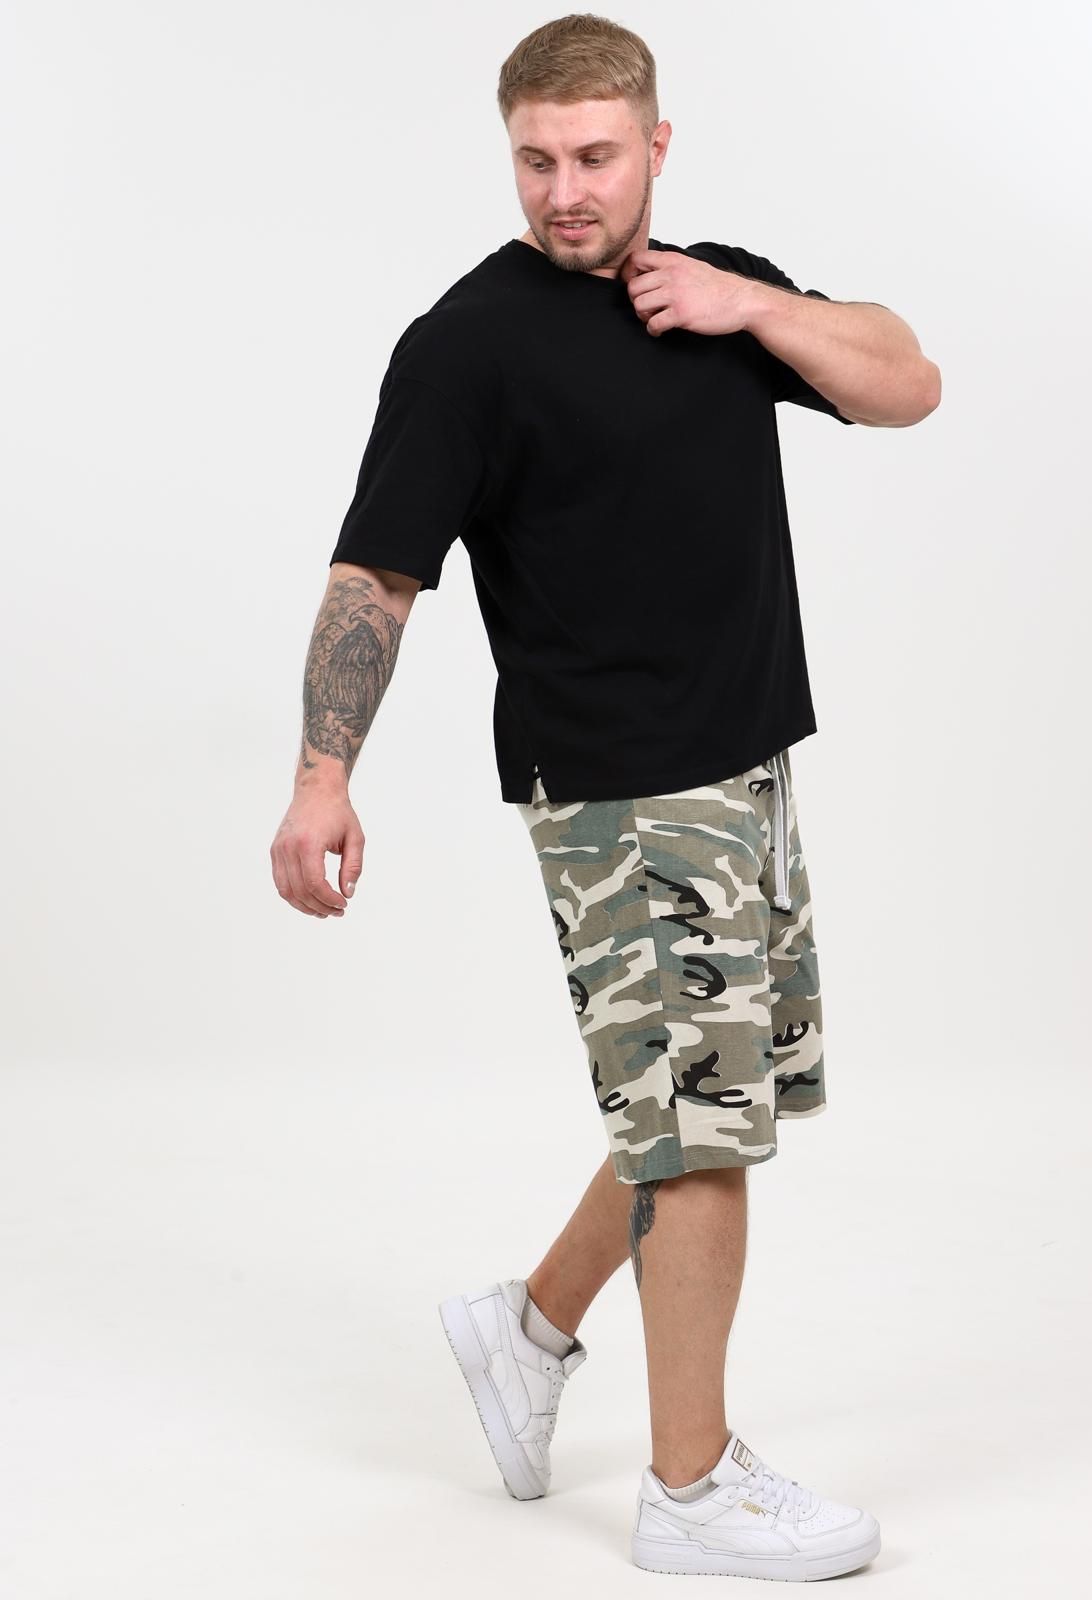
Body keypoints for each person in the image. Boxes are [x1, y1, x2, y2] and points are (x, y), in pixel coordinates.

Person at [269, 12, 939, 1584]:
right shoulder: (467, 345)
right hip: (620, 788)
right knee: (700, 1137)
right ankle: (689, 1489)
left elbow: (908, 380)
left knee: (699, 1100)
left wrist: (748, 305)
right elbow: (376, 576)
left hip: (746, 760)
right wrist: (321, 775)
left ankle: (526, 1329)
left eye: (593, 156)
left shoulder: (716, 293)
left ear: (654, 145)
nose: (566, 191)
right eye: (536, 161)